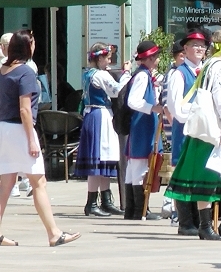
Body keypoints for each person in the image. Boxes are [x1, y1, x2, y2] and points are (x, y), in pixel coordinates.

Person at [164, 30, 221, 241]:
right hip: (218, 130)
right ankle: (218, 223)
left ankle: (216, 224)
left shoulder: (209, 64)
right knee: (217, 175)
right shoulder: (220, 67)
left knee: (219, 175)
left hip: (207, 129)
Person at [0, 30, 80, 247]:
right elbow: (25, 110)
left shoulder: (4, 70)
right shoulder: (25, 72)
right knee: (38, 182)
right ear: (28, 46)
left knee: (5, 184)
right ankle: (53, 233)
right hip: (19, 130)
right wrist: (32, 139)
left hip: (4, 129)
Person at [74, 43, 129, 217]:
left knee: (105, 157)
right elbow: (116, 91)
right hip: (100, 116)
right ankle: (91, 203)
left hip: (95, 114)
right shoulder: (100, 75)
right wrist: (127, 74)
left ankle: (106, 200)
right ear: (99, 58)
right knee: (98, 158)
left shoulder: (88, 74)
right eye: (107, 57)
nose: (110, 60)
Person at [165, 29, 207, 235]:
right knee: (183, 175)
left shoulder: (206, 71)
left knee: (199, 175)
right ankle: (185, 222)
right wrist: (197, 112)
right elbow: (175, 108)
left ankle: (199, 220)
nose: (199, 49)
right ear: (185, 49)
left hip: (203, 132)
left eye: (202, 46)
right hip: (185, 130)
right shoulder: (178, 74)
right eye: (195, 46)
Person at [123, 41, 166, 221]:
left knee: (134, 168)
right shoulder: (142, 76)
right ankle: (140, 210)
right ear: (148, 58)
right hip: (142, 124)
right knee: (140, 166)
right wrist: (153, 108)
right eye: (155, 57)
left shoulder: (142, 75)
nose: (157, 60)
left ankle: (132, 210)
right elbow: (133, 101)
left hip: (140, 124)